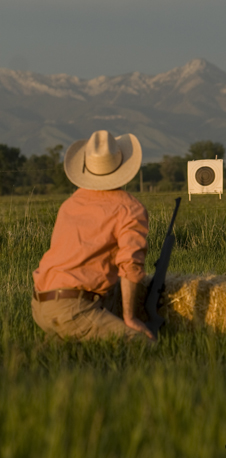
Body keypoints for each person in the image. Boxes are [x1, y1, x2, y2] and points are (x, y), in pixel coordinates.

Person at [32, 129, 156, 342]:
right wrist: (130, 317)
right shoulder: (129, 208)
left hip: (40, 304)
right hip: (74, 308)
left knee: (69, 354)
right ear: (123, 165)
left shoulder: (70, 204)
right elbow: (131, 267)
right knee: (144, 345)